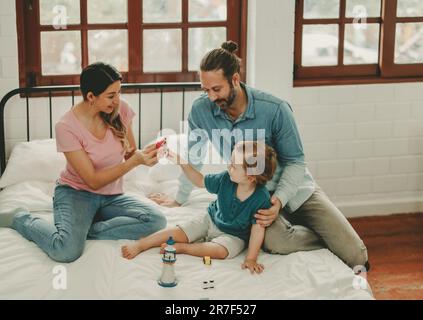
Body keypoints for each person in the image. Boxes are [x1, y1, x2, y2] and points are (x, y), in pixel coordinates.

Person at [149, 41, 369, 270]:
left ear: (235, 79)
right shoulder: (202, 110)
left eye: (217, 89)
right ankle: (319, 237)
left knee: (355, 254)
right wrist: (180, 198)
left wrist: (280, 199)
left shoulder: (274, 109)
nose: (211, 97)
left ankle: (327, 235)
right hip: (254, 198)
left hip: (295, 191)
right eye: (205, 90)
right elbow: (194, 155)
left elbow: (295, 161)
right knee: (276, 242)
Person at [0, 62, 166, 263]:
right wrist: (135, 162)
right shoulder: (66, 127)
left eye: (119, 93)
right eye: (111, 95)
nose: (117, 100)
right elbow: (93, 181)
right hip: (76, 193)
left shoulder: (121, 110)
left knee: (157, 220)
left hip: (111, 196)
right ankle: (20, 218)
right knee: (65, 251)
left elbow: (130, 156)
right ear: (90, 97)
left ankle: (86, 229)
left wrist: (146, 157)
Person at [122, 141, 277, 274]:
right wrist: (182, 162)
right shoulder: (225, 178)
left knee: (221, 252)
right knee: (179, 231)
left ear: (250, 177)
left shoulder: (261, 198)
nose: (228, 167)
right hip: (210, 219)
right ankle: (142, 244)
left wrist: (251, 258)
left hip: (235, 235)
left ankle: (183, 248)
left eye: (233, 166)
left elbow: (257, 230)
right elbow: (200, 181)